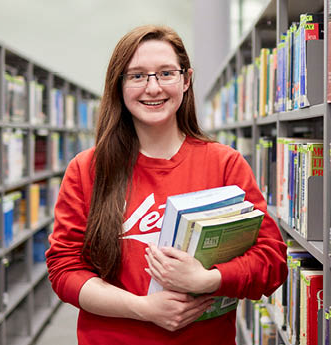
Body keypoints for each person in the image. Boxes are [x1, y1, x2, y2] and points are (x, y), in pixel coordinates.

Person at [46, 24, 288, 345]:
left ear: (186, 80)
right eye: (137, 76)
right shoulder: (87, 169)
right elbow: (64, 269)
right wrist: (143, 308)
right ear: (118, 86)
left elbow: (272, 260)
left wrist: (209, 279)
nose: (153, 87)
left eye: (165, 73)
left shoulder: (224, 164)